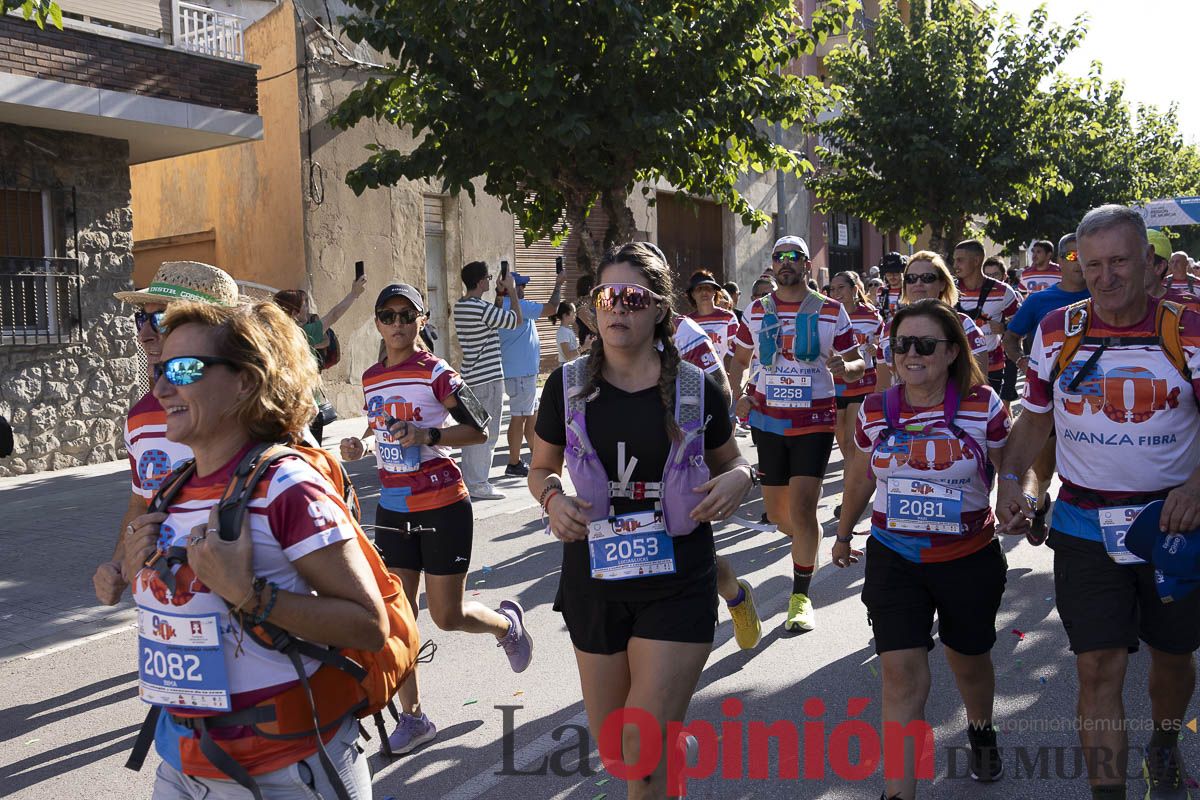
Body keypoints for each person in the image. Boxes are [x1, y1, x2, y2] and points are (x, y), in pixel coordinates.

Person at [121, 299, 389, 798]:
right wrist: (134, 573)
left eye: (182, 369)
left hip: (286, 772)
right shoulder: (174, 489)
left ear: (245, 381)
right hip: (182, 764)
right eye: (159, 369)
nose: (160, 388)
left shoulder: (288, 486)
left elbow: (368, 626)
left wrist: (250, 595)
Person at [528, 242, 753, 798]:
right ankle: (675, 746)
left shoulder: (695, 387)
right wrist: (553, 500)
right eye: (607, 296)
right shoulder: (569, 384)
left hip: (677, 576)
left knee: (641, 751)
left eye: (632, 297)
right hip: (596, 576)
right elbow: (539, 468)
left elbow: (735, 464)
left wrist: (738, 481)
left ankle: (663, 747)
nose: (617, 308)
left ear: (658, 308)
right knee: (619, 751)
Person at [998, 204, 1200, 800]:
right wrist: (1011, 479)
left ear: (1149, 263)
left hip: (1173, 525)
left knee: (1172, 657)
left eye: (1118, 261)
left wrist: (1195, 487)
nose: (1106, 276)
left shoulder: (1188, 329)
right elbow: (1034, 420)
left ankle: (1163, 742)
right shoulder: (1057, 330)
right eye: (1093, 266)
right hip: (1085, 524)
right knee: (1097, 665)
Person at [833, 299, 1030, 799]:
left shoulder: (983, 404)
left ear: (950, 353)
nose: (911, 354)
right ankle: (898, 792)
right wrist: (841, 531)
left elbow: (1013, 466)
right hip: (895, 557)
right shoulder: (877, 409)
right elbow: (859, 474)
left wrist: (1017, 497)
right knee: (899, 675)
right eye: (902, 345)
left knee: (969, 659)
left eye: (925, 345)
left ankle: (981, 728)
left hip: (968, 558)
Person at [339, 284, 533, 755]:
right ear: (378, 322)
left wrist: (428, 433)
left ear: (421, 320)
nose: (398, 323)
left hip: (443, 504)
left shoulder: (436, 372)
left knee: (446, 616)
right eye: (389, 315)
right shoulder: (371, 377)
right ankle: (415, 717)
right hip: (393, 508)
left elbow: (480, 425)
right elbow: (378, 421)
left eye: (408, 315)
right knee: (400, 617)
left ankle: (507, 627)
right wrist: (363, 443)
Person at [730, 235, 865, 632]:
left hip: (814, 421)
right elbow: (738, 360)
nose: (785, 262)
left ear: (807, 265)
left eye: (794, 257)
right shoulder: (756, 311)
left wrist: (847, 368)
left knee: (804, 509)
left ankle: (801, 595)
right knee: (778, 515)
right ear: (772, 265)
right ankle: (807, 539)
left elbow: (856, 363)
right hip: (768, 421)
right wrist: (737, 396)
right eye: (779, 257)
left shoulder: (831, 311)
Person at [95, 261, 241, 607]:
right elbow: (140, 502)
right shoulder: (140, 417)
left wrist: (252, 595)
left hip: (245, 619)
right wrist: (117, 565)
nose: (145, 334)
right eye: (140, 319)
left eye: (160, 319)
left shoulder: (253, 412)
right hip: (164, 615)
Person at [1001, 232, 1091, 543]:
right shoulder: (1041, 301)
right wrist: (1023, 361)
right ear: (1060, 263)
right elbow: (1010, 338)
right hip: (1048, 404)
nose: (1078, 261)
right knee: (1042, 472)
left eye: (1085, 254)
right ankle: (1038, 510)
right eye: (1071, 256)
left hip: (1092, 405)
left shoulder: (1105, 297)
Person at [452, 261, 523, 500]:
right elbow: (515, 321)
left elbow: (491, 319)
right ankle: (479, 483)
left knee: (472, 429)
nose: (490, 281)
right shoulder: (480, 308)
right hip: (489, 379)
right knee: (487, 433)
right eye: (488, 278)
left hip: (471, 377)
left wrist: (499, 298)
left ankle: (471, 479)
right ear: (481, 281)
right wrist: (512, 291)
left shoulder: (462, 307)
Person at [876, 251, 989, 388]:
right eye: (911, 278)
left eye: (927, 278)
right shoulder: (889, 328)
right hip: (901, 409)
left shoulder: (963, 325)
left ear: (942, 284)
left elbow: (978, 385)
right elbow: (882, 388)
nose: (918, 283)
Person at [274, 278, 367, 444]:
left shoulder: (276, 336)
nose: (308, 309)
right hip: (306, 408)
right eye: (305, 305)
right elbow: (334, 315)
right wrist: (354, 294)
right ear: (294, 311)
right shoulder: (302, 332)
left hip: (283, 409)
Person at [498, 269, 566, 477]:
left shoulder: (505, 306)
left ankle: (537, 456)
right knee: (519, 417)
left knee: (531, 415)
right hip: (521, 373)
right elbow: (553, 308)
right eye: (521, 285)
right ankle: (514, 462)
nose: (524, 289)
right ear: (513, 287)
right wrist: (558, 284)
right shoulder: (519, 307)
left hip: (522, 372)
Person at [827, 270, 884, 521]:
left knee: (851, 442)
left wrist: (874, 346)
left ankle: (848, 497)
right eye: (832, 289)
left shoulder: (871, 316)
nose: (836, 293)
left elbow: (884, 345)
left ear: (854, 289)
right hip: (833, 385)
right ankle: (858, 483)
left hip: (861, 383)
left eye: (841, 288)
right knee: (844, 446)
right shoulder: (827, 315)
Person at [952, 239, 1021, 406]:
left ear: (976, 261)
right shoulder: (949, 290)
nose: (955, 265)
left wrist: (1005, 328)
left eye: (960, 260)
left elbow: (1020, 327)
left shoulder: (1003, 291)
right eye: (954, 260)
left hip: (992, 367)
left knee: (986, 415)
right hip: (956, 365)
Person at [686, 270, 741, 365]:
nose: (704, 292)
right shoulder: (687, 322)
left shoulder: (728, 318)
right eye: (699, 289)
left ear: (715, 292)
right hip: (697, 377)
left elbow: (737, 351)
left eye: (708, 288)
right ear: (692, 294)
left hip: (722, 376)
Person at [878, 252, 907, 324]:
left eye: (896, 272)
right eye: (888, 273)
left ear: (902, 272)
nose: (892, 276)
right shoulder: (880, 291)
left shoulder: (909, 290)